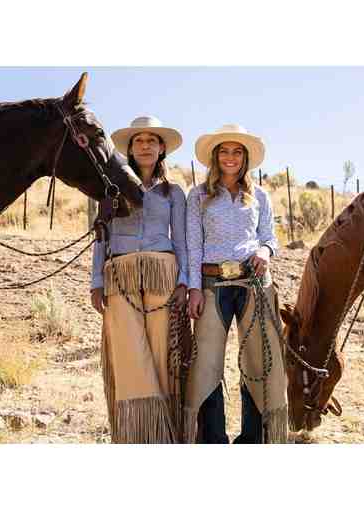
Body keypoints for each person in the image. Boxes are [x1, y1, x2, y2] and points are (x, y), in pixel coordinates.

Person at [184, 124, 287, 443]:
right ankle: (212, 439)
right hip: (212, 283)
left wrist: (265, 251)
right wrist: (194, 288)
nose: (231, 157)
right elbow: (193, 245)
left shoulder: (260, 195)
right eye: (225, 152)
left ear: (245, 158)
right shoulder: (198, 195)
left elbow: (269, 236)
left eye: (237, 152)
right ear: (216, 157)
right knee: (206, 363)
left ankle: (253, 439)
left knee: (257, 361)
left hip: (253, 282)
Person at [91, 115, 188, 443]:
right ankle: (136, 435)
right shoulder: (109, 188)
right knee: (129, 355)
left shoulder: (174, 193)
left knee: (163, 356)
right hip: (120, 274)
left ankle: (165, 433)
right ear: (130, 149)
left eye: (151, 141)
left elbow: (182, 241)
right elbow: (101, 237)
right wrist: (96, 281)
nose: (145, 146)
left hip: (163, 276)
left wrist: (184, 282)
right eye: (139, 141)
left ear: (161, 149)